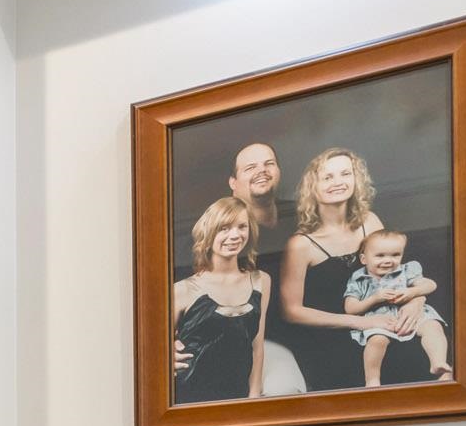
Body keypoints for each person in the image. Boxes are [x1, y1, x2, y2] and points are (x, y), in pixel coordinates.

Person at [274, 146, 413, 392]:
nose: (338, 182)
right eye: (328, 177)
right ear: (313, 187)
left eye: (345, 174)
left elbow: (400, 275)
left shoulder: (370, 222)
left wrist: (415, 303)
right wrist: (360, 323)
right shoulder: (301, 244)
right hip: (331, 342)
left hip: (381, 326)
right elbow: (292, 311)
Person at [174, 142, 306, 395]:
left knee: (283, 390)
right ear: (233, 182)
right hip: (209, 360)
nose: (262, 171)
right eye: (250, 167)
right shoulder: (192, 257)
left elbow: (257, 344)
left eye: (269, 164)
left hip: (276, 343)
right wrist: (164, 348)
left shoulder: (300, 219)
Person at [170, 197, 268, 404]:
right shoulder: (181, 290)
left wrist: (254, 399)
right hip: (189, 397)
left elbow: (257, 346)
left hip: (237, 397)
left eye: (242, 227)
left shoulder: (261, 281)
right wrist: (164, 355)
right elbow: (149, 347)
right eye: (224, 228)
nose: (235, 235)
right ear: (209, 233)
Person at [341, 227, 450, 385]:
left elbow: (430, 284)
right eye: (380, 256)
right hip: (380, 320)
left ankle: (439, 364)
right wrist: (374, 298)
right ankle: (372, 380)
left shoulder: (406, 270)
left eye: (395, 255)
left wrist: (412, 292)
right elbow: (350, 308)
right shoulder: (359, 278)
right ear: (364, 259)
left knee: (433, 327)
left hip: (412, 315)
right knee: (376, 341)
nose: (388, 260)